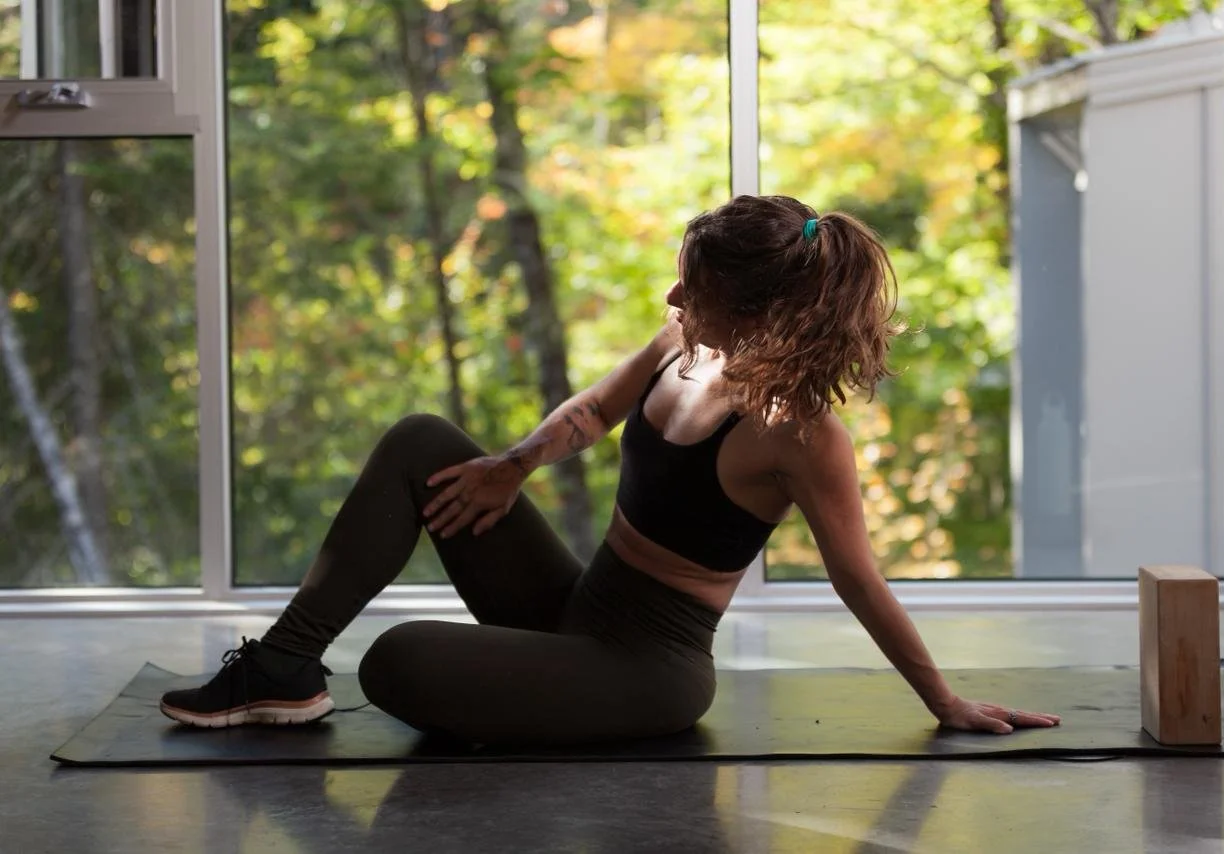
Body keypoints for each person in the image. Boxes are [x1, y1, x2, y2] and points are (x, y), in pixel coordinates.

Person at [160, 194, 1061, 744]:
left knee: (398, 661)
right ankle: (283, 667)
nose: (672, 300)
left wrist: (942, 699)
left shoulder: (799, 434)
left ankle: (521, 691)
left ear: (751, 309)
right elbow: (591, 411)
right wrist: (512, 467)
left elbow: (857, 577)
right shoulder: (684, 344)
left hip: (647, 668)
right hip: (578, 610)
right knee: (424, 440)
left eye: (690, 288)